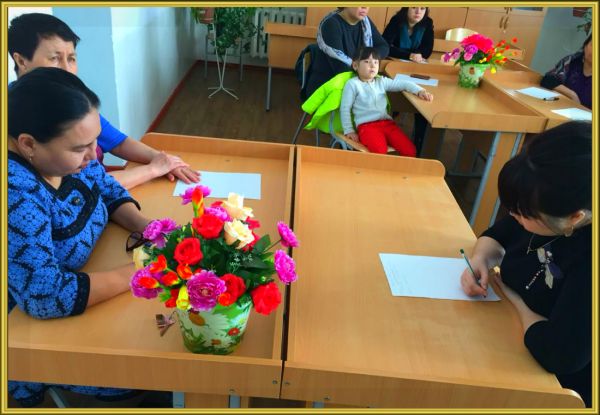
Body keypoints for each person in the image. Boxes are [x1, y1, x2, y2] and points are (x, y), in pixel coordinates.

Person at [7, 67, 157, 407]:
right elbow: (45, 295)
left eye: (95, 141)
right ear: (28, 144)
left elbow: (107, 189)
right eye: (81, 148)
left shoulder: (69, 158)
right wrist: (141, 270)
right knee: (145, 365)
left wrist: (148, 229)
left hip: (93, 274)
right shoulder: (15, 192)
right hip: (36, 331)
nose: (94, 155)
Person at [460, 121, 592, 407]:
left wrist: (515, 299)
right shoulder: (545, 202)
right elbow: (501, 233)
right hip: (509, 335)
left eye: (523, 214)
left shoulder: (587, 259)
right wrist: (481, 258)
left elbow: (560, 353)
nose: (514, 216)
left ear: (575, 218)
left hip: (554, 385)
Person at [8, 12, 201, 189]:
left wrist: (164, 160)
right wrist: (152, 169)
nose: (67, 70)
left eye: (72, 59)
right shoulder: (19, 116)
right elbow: (78, 190)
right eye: (54, 58)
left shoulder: (69, 100)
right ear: (21, 61)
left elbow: (118, 142)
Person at [341, 47, 433, 155]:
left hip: (387, 124)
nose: (372, 65)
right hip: (367, 126)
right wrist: (349, 130)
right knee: (379, 151)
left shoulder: (381, 81)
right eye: (367, 62)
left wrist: (420, 91)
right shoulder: (352, 84)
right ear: (355, 65)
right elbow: (345, 108)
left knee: (410, 150)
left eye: (376, 62)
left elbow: (403, 84)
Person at [305, 7, 389, 98]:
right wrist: (366, 64)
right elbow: (342, 68)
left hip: (353, 84)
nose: (365, 6)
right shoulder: (331, 24)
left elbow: (384, 47)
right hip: (327, 89)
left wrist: (367, 59)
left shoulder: (365, 23)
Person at [382, 7, 434, 155]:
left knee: (422, 101)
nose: (418, 12)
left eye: (422, 8)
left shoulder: (427, 23)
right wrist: (409, 55)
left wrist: (417, 55)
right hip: (393, 67)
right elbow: (386, 46)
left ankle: (419, 145)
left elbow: (427, 50)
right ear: (406, 8)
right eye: (414, 7)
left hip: (416, 69)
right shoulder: (396, 21)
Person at [540, 34, 592, 109]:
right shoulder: (572, 61)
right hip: (559, 108)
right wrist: (572, 95)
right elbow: (547, 79)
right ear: (585, 46)